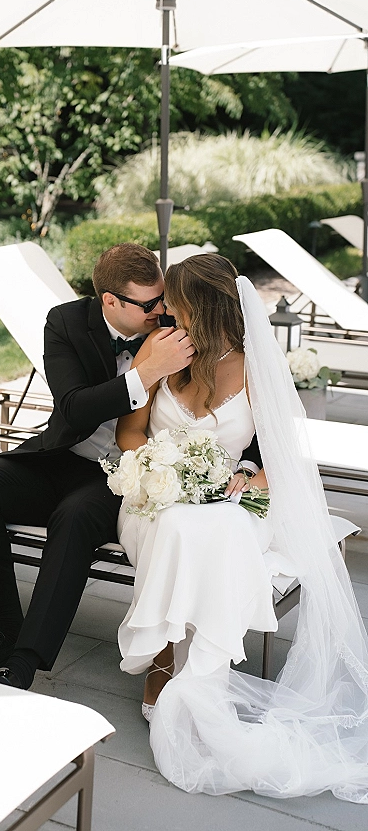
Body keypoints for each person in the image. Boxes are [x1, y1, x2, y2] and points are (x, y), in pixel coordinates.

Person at [114, 254, 368, 802]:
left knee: (220, 530)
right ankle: (163, 659)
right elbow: (128, 434)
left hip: (230, 498)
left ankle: (202, 675)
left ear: (203, 310)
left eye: (176, 305)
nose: (166, 313)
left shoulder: (255, 364)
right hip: (154, 497)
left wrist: (255, 479)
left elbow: (284, 455)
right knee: (178, 526)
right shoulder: (160, 353)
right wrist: (159, 470)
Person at [0, 243, 197, 690]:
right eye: (149, 303)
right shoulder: (65, 322)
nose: (162, 309)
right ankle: (5, 627)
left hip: (127, 473)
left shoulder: (172, 328)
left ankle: (24, 660)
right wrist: (143, 373)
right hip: (65, 456)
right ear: (109, 301)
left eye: (161, 298)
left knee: (76, 516)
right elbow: (74, 408)